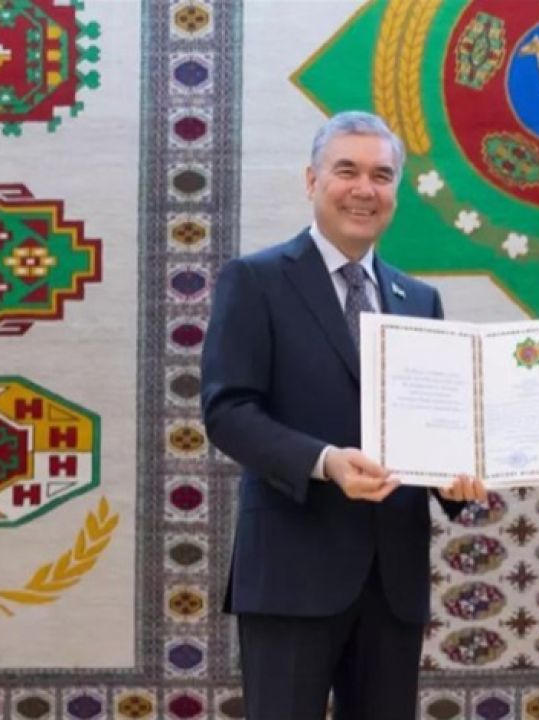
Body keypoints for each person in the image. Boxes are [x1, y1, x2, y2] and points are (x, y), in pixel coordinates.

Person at [200, 110, 484, 720]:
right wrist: (325, 462)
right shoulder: (255, 280)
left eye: (381, 176)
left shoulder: (419, 299)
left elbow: (434, 426)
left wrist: (456, 481)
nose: (364, 189)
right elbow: (227, 411)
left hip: (392, 580)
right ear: (312, 180)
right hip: (290, 572)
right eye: (347, 171)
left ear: (396, 192)